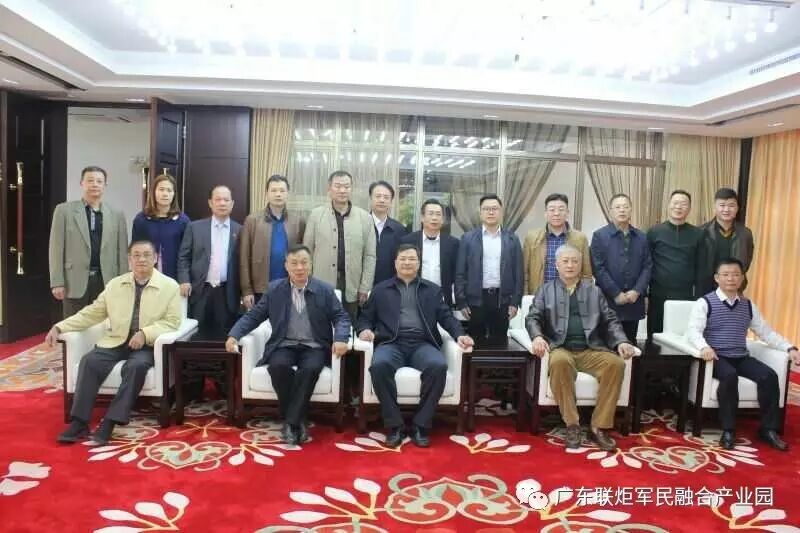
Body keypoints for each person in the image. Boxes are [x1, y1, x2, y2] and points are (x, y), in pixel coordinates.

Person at [47, 240, 181, 446]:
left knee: (135, 367)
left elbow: (172, 322)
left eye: (146, 255)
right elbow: (92, 313)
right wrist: (60, 326)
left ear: (155, 258)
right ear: (129, 260)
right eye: (136, 255)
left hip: (146, 345)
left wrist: (145, 334)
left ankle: (110, 421)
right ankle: (79, 422)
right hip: (115, 340)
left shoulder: (169, 286)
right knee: (90, 362)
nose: (141, 259)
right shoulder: (115, 285)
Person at [226, 245, 351, 445]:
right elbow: (255, 316)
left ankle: (290, 422)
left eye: (304, 262)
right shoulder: (275, 290)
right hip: (284, 344)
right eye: (294, 263)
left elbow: (341, 317)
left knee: (310, 369)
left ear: (310, 265)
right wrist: (234, 335)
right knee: (277, 367)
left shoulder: (324, 290)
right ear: (286, 266)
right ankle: (299, 421)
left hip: (314, 345)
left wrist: (341, 338)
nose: (299, 267)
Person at [357, 244, 474, 447]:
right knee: (379, 366)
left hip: (422, 343)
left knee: (438, 366)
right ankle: (395, 425)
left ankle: (421, 425)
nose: (407, 263)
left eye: (412, 259)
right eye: (403, 259)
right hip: (391, 343)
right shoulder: (380, 290)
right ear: (395, 263)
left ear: (418, 264)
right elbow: (364, 318)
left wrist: (460, 335)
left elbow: (447, 318)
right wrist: (364, 330)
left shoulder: (432, 290)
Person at [526, 244, 637, 452]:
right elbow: (533, 317)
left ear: (581, 265)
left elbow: (610, 320)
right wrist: (538, 336)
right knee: (559, 362)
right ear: (556, 265)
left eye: (574, 261)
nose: (570, 265)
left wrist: (622, 341)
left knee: (615, 364)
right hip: (560, 347)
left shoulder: (594, 291)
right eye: (565, 261)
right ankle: (572, 425)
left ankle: (598, 426)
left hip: (590, 348)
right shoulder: (546, 290)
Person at [686, 258, 799, 451]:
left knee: (769, 376)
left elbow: (766, 332)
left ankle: (768, 429)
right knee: (729, 376)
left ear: (742, 278)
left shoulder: (748, 305)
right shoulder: (705, 303)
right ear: (717, 278)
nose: (731, 279)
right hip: (716, 357)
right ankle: (728, 430)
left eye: (735, 275)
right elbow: (693, 332)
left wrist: (789, 347)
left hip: (741, 356)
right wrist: (704, 347)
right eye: (726, 274)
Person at [49, 166, 128, 318]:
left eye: (99, 181)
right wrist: (57, 281)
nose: (95, 184)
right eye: (90, 180)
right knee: (73, 327)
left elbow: (122, 252)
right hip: (74, 281)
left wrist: (124, 283)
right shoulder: (64, 211)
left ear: (105, 185)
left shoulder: (117, 214)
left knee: (103, 325)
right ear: (82, 183)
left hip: (106, 280)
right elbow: (56, 248)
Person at [303, 170, 376, 320]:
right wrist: (308, 282)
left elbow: (370, 256)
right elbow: (307, 251)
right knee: (321, 325)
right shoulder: (316, 215)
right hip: (321, 282)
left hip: (352, 284)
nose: (342, 190)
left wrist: (365, 286)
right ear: (329, 189)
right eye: (337, 186)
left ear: (351, 189)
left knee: (348, 326)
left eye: (347, 186)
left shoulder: (365, 218)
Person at [455, 194, 523, 344]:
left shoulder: (512, 239)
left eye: (494, 209)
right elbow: (460, 272)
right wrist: (461, 301)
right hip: (475, 299)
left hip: (502, 300)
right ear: (480, 212)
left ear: (501, 212)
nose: (491, 212)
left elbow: (519, 273)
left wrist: (515, 302)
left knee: (500, 343)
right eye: (486, 209)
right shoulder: (468, 239)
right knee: (475, 343)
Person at [177, 185, 241, 341]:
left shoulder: (240, 230)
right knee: (195, 336)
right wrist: (184, 280)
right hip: (200, 290)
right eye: (217, 199)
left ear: (232, 204)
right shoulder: (194, 227)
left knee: (224, 339)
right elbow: (183, 257)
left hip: (227, 292)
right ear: (210, 203)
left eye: (226, 200)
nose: (222, 203)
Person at [590, 193, 652, 342]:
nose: (622, 210)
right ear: (611, 211)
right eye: (617, 207)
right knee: (607, 345)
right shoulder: (600, 236)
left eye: (625, 207)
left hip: (633, 301)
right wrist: (616, 293)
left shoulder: (641, 237)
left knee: (630, 343)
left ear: (631, 210)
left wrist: (637, 291)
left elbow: (647, 266)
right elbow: (598, 268)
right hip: (608, 301)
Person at [240, 174, 305, 309]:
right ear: (267, 193)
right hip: (260, 288)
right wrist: (246, 290)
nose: (278, 194)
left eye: (282, 190)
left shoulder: (298, 221)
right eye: (274, 190)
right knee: (261, 322)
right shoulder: (252, 220)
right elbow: (244, 258)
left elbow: (303, 255)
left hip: (290, 286)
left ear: (287, 194)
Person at [646, 189, 703, 339]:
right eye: (675, 203)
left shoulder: (698, 234)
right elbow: (646, 264)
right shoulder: (654, 232)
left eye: (683, 204)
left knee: (682, 335)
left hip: (685, 295)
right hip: (658, 294)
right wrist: (644, 294)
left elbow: (701, 266)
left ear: (689, 208)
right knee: (655, 335)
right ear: (668, 205)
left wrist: (698, 296)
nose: (678, 207)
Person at [523, 193, 592, 295]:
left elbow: (586, 274)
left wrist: (584, 297)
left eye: (561, 209)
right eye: (552, 210)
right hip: (540, 295)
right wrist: (525, 296)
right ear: (545, 214)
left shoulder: (580, 239)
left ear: (567, 213)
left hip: (570, 295)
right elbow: (525, 272)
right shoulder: (531, 238)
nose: (556, 213)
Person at [131, 173, 190, 280]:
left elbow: (186, 254)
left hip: (174, 277)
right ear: (154, 192)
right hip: (146, 276)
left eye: (169, 190)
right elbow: (135, 249)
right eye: (161, 189)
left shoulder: (183, 221)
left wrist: (184, 279)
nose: (165, 194)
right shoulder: (141, 219)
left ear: (174, 194)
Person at [401, 199, 460, 306]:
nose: (434, 218)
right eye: (431, 214)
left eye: (438, 214)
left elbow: (457, 273)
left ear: (442, 219)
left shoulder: (453, 244)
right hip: (414, 295)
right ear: (422, 217)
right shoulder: (408, 241)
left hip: (442, 297)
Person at [697, 188, 755, 296]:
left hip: (734, 289)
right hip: (706, 289)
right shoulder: (701, 232)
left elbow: (747, 260)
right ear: (714, 207)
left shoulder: (745, 234)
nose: (726, 209)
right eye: (722, 205)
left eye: (731, 206)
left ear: (737, 208)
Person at [369, 180, 408, 285]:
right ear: (371, 198)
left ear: (391, 202)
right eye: (378, 196)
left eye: (386, 197)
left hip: (390, 286)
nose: (382, 200)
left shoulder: (399, 230)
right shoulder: (361, 225)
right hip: (362, 288)